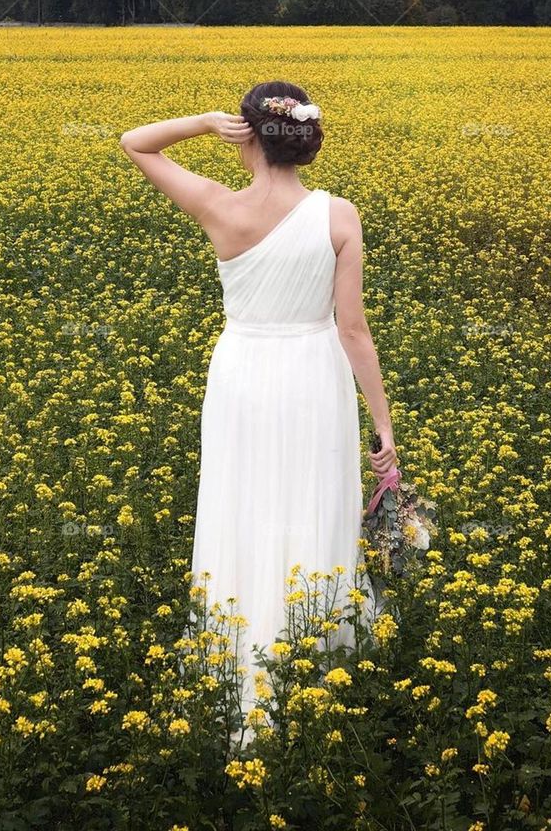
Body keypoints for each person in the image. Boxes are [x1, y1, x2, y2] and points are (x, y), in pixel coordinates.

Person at [119, 80, 397, 747]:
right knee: (312, 503)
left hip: (242, 372)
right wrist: (384, 427)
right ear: (304, 140)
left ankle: (234, 665)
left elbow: (134, 143)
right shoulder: (339, 215)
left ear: (249, 133)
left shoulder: (218, 205)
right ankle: (312, 660)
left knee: (241, 505)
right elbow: (353, 330)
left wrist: (203, 123)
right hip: (312, 371)